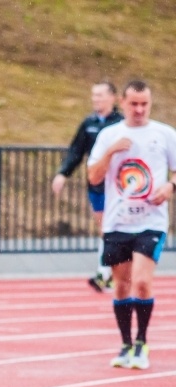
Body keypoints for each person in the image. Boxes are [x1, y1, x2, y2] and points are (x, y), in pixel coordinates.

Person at [87, 80, 176, 371]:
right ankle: (125, 343)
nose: (139, 109)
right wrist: (111, 152)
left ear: (149, 104)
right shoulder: (108, 135)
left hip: (151, 221)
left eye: (144, 104)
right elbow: (94, 177)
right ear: (122, 103)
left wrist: (170, 186)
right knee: (122, 286)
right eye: (133, 103)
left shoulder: (164, 134)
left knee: (141, 281)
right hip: (117, 221)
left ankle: (142, 342)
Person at [51, 81, 124, 292]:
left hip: (120, 186)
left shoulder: (121, 123)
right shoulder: (89, 123)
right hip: (97, 184)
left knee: (114, 228)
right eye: (93, 95)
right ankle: (107, 272)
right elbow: (76, 151)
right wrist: (62, 174)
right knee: (103, 229)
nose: (96, 99)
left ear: (113, 97)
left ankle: (105, 272)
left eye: (100, 95)